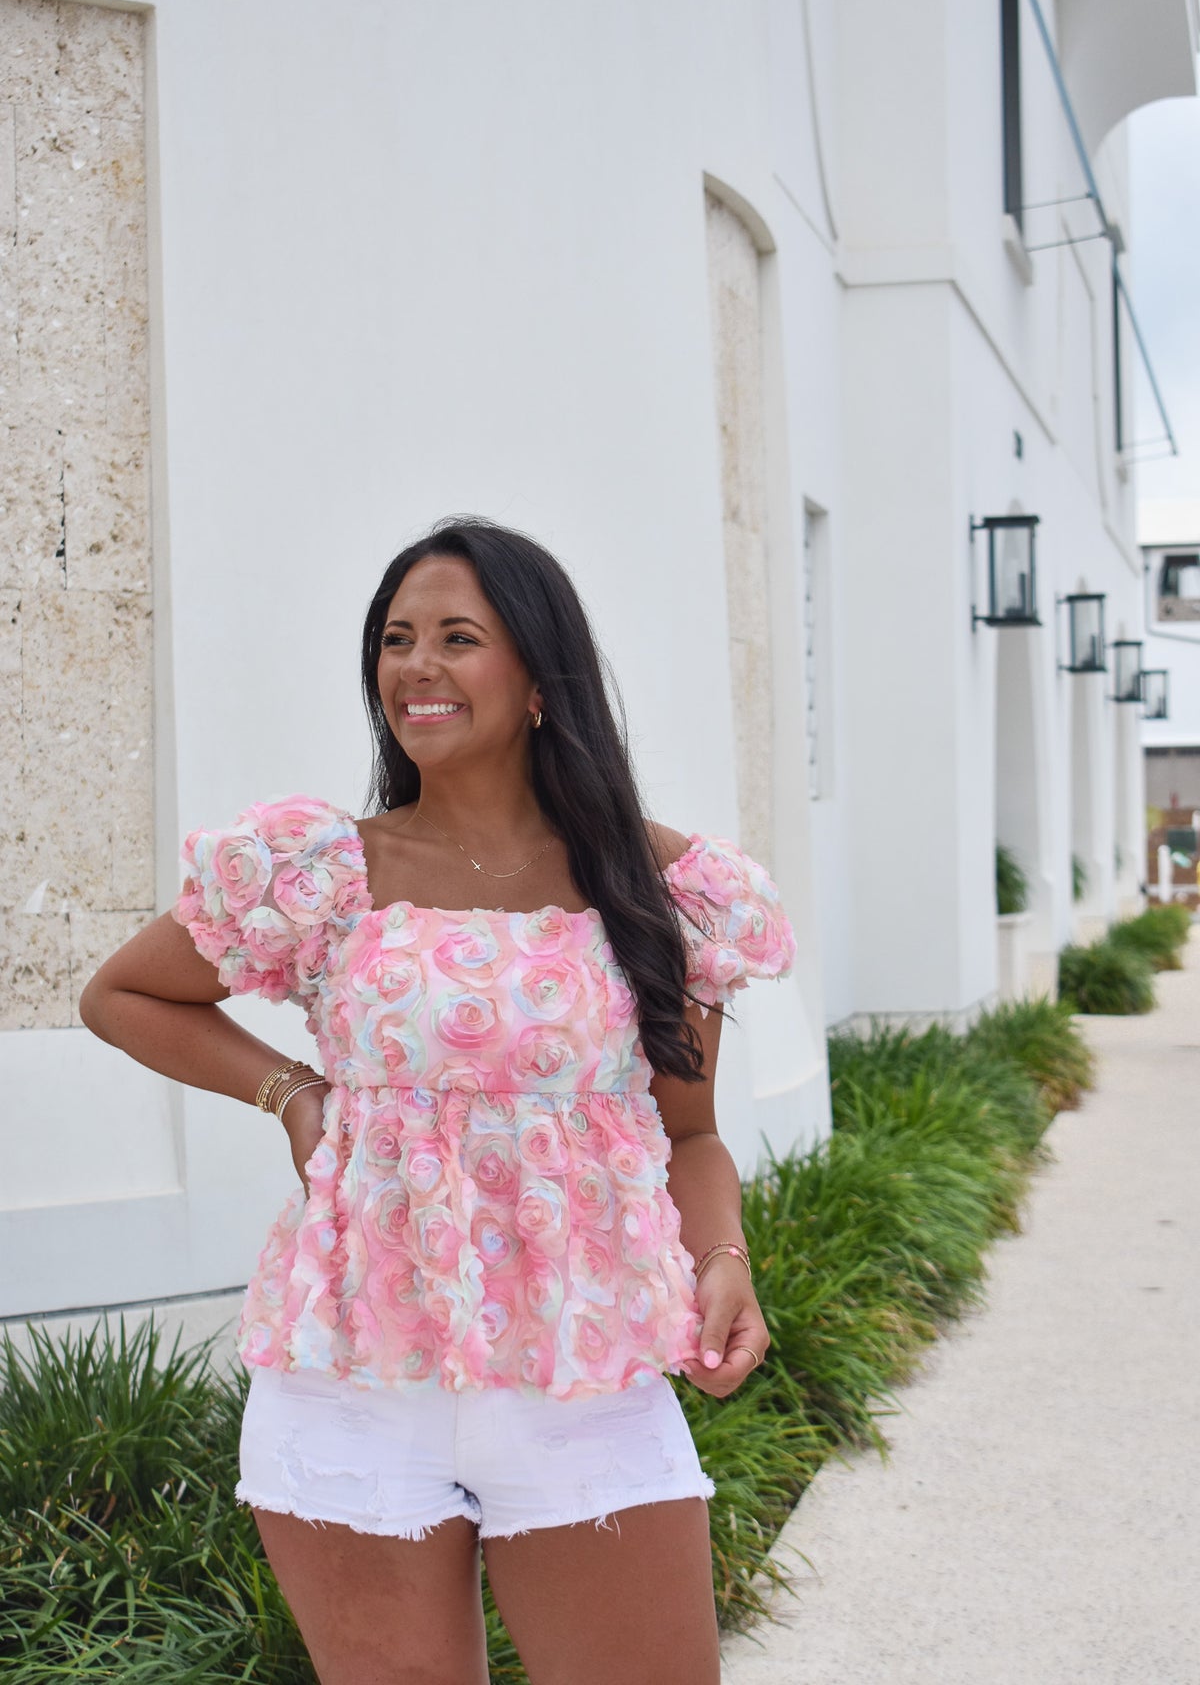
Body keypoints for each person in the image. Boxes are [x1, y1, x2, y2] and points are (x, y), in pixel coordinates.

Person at [80, 515, 797, 1685]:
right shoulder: (321, 870)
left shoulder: (663, 889)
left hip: (586, 1370)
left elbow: (691, 1132)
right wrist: (292, 1092)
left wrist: (722, 1259)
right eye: (396, 638)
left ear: (537, 680)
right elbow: (122, 995)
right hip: (351, 1372)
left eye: (459, 637)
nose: (417, 665)